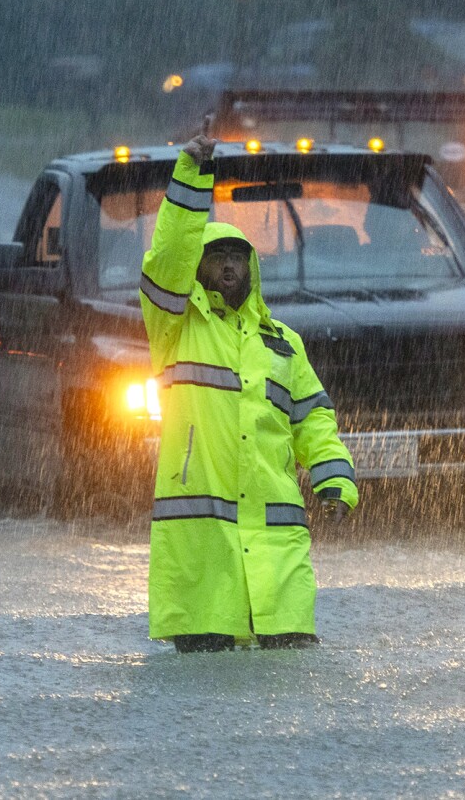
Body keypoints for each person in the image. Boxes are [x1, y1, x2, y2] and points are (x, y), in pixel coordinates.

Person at [139, 120, 358, 653]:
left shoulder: (282, 342)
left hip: (277, 563)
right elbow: (167, 255)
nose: (230, 263)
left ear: (252, 266)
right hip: (201, 570)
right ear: (198, 266)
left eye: (238, 255)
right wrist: (193, 173)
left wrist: (336, 479)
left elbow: (314, 419)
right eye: (217, 256)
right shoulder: (175, 326)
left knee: (291, 705)